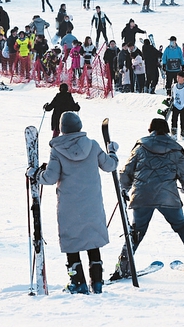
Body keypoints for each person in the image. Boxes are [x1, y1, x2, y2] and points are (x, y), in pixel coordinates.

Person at [111, 118, 184, 281]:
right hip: (168, 195)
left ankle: (123, 265)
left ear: (150, 130)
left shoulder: (140, 147)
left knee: (137, 229)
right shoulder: (175, 148)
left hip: (142, 195)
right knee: (181, 225)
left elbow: (126, 172)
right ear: (166, 131)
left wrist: (124, 188)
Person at [30, 111, 118, 294]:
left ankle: (78, 283)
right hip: (92, 203)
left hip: (69, 205)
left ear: (62, 129)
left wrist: (35, 174)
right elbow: (110, 166)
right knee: (92, 240)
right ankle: (97, 283)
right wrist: (112, 152)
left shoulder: (57, 150)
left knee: (72, 241)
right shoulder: (93, 146)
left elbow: (50, 177)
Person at [169, 71, 184, 140]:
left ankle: (183, 134)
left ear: (183, 78)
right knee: (174, 120)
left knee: (183, 120)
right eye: (177, 77)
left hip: (183, 106)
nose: (178, 78)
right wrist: (171, 101)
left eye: (179, 77)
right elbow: (173, 95)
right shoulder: (174, 86)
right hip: (176, 105)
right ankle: (174, 134)